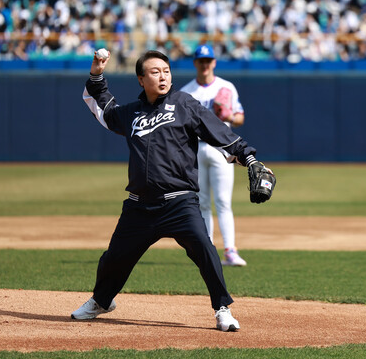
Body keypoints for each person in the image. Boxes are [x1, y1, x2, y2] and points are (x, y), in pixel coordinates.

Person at [71, 49, 275, 331]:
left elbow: (220, 133)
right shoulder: (131, 113)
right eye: (155, 72)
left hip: (179, 203)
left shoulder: (184, 104)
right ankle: (102, 301)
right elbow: (103, 107)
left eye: (166, 71)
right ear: (141, 79)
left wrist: (249, 157)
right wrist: (97, 73)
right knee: (114, 258)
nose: (163, 76)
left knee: (205, 249)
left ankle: (222, 308)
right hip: (139, 206)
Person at [179, 45, 247, 266]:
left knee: (223, 201)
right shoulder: (186, 92)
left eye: (208, 60)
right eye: (201, 60)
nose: (205, 64)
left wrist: (229, 115)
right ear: (195, 63)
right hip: (196, 148)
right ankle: (206, 251)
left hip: (222, 148)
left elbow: (239, 118)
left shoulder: (226, 87)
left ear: (214, 62)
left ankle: (230, 250)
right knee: (202, 202)